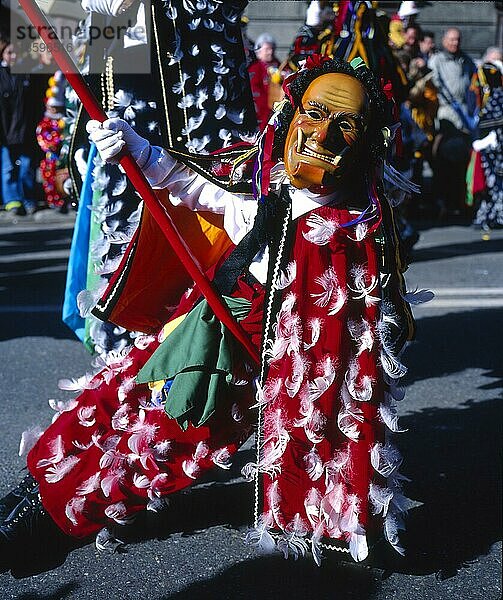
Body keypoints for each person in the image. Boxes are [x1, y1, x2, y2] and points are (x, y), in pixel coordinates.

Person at [0, 56, 421, 574]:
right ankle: (37, 481)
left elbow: (364, 340)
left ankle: (51, 519)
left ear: (365, 145)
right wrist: (135, 148)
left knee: (162, 440)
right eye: (314, 113)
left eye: (346, 124)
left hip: (247, 363)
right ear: (292, 114)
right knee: (112, 395)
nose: (323, 134)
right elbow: (200, 187)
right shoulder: (265, 173)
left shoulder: (358, 230)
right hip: (200, 317)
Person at [429, 28, 477, 219]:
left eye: (457, 40)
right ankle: (442, 204)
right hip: (445, 116)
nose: (454, 43)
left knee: (461, 164)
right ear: (444, 40)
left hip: (463, 120)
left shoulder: (466, 61)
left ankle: (459, 202)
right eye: (451, 40)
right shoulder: (437, 60)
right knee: (443, 163)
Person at [0, 35, 44, 216]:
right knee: (8, 167)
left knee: (27, 167)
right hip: (5, 130)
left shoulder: (26, 74)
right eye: (9, 53)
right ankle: (12, 201)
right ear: (3, 55)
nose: (13, 56)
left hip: (26, 129)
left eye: (15, 53)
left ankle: (28, 199)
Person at [248, 33, 282, 129]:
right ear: (258, 51)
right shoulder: (255, 68)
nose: (270, 52)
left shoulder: (279, 65)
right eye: (267, 49)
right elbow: (254, 90)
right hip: (263, 113)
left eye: (272, 49)